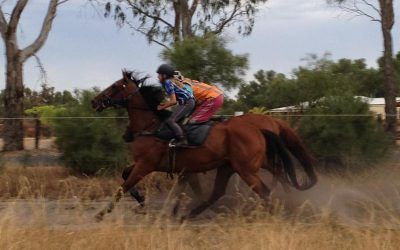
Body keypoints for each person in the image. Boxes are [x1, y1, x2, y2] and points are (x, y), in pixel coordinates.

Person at [156, 64, 195, 146]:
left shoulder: (167, 83)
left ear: (164, 75)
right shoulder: (169, 82)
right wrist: (165, 104)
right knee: (175, 119)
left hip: (187, 103)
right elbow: (174, 100)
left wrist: (162, 107)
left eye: (159, 75)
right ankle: (177, 136)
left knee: (171, 120)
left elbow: (173, 101)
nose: (157, 77)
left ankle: (182, 139)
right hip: (187, 102)